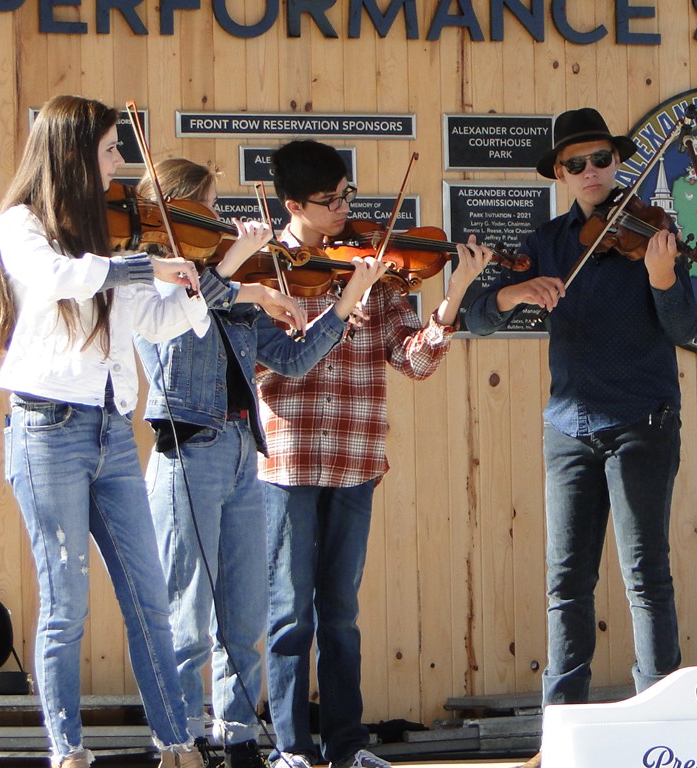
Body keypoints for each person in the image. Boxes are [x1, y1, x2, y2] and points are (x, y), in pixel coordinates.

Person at [465, 107, 697, 768]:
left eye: (601, 159)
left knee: (644, 576)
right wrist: (515, 295)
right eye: (577, 164)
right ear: (561, 174)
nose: (592, 172)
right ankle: (560, 736)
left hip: (642, 422)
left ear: (617, 162)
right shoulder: (546, 242)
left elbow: (685, 326)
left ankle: (661, 730)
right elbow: (481, 316)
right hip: (567, 427)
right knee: (566, 582)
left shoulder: (655, 234)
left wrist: (661, 279)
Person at [0, 95, 208, 768]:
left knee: (149, 598)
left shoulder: (111, 238)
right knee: (65, 607)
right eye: (110, 150)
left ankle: (176, 744)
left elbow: (155, 322)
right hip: (47, 428)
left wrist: (203, 281)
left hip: (110, 429)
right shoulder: (20, 225)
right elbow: (54, 280)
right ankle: (69, 752)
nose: (118, 164)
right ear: (75, 154)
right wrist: (143, 265)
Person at [132, 160, 386, 767]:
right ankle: (183, 741)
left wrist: (346, 303)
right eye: (208, 210)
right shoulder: (150, 278)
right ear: (174, 211)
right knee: (187, 609)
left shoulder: (233, 278)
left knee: (242, 611)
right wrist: (241, 278)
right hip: (188, 445)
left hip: (245, 447)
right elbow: (173, 324)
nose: (219, 221)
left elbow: (291, 361)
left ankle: (237, 735)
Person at [260, 140, 493, 768]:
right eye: (330, 201)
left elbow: (413, 360)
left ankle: (346, 747)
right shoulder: (265, 269)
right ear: (292, 205)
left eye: (347, 197)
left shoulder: (373, 268)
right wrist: (342, 301)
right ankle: (289, 749)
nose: (344, 211)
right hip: (291, 459)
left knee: (340, 615)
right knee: (288, 616)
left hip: (358, 461)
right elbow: (270, 359)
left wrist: (456, 291)